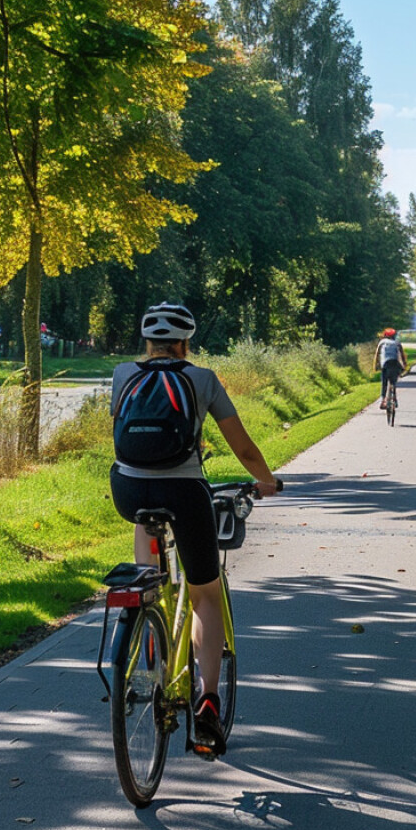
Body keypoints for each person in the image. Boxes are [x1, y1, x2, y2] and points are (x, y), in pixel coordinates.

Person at [109, 302, 278, 755]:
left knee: (147, 545)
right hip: (184, 493)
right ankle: (207, 700)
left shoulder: (124, 374)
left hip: (127, 489)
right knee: (205, 590)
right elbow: (240, 444)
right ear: (186, 343)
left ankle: (149, 630)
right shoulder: (201, 378)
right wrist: (267, 480)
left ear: (147, 343)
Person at [374, 327, 409, 409]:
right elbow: (402, 356)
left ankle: (383, 400)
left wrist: (376, 366)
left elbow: (377, 355)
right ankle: (394, 400)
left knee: (384, 382)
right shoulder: (397, 343)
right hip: (395, 363)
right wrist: (404, 366)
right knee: (393, 383)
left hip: (385, 364)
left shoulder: (382, 342)